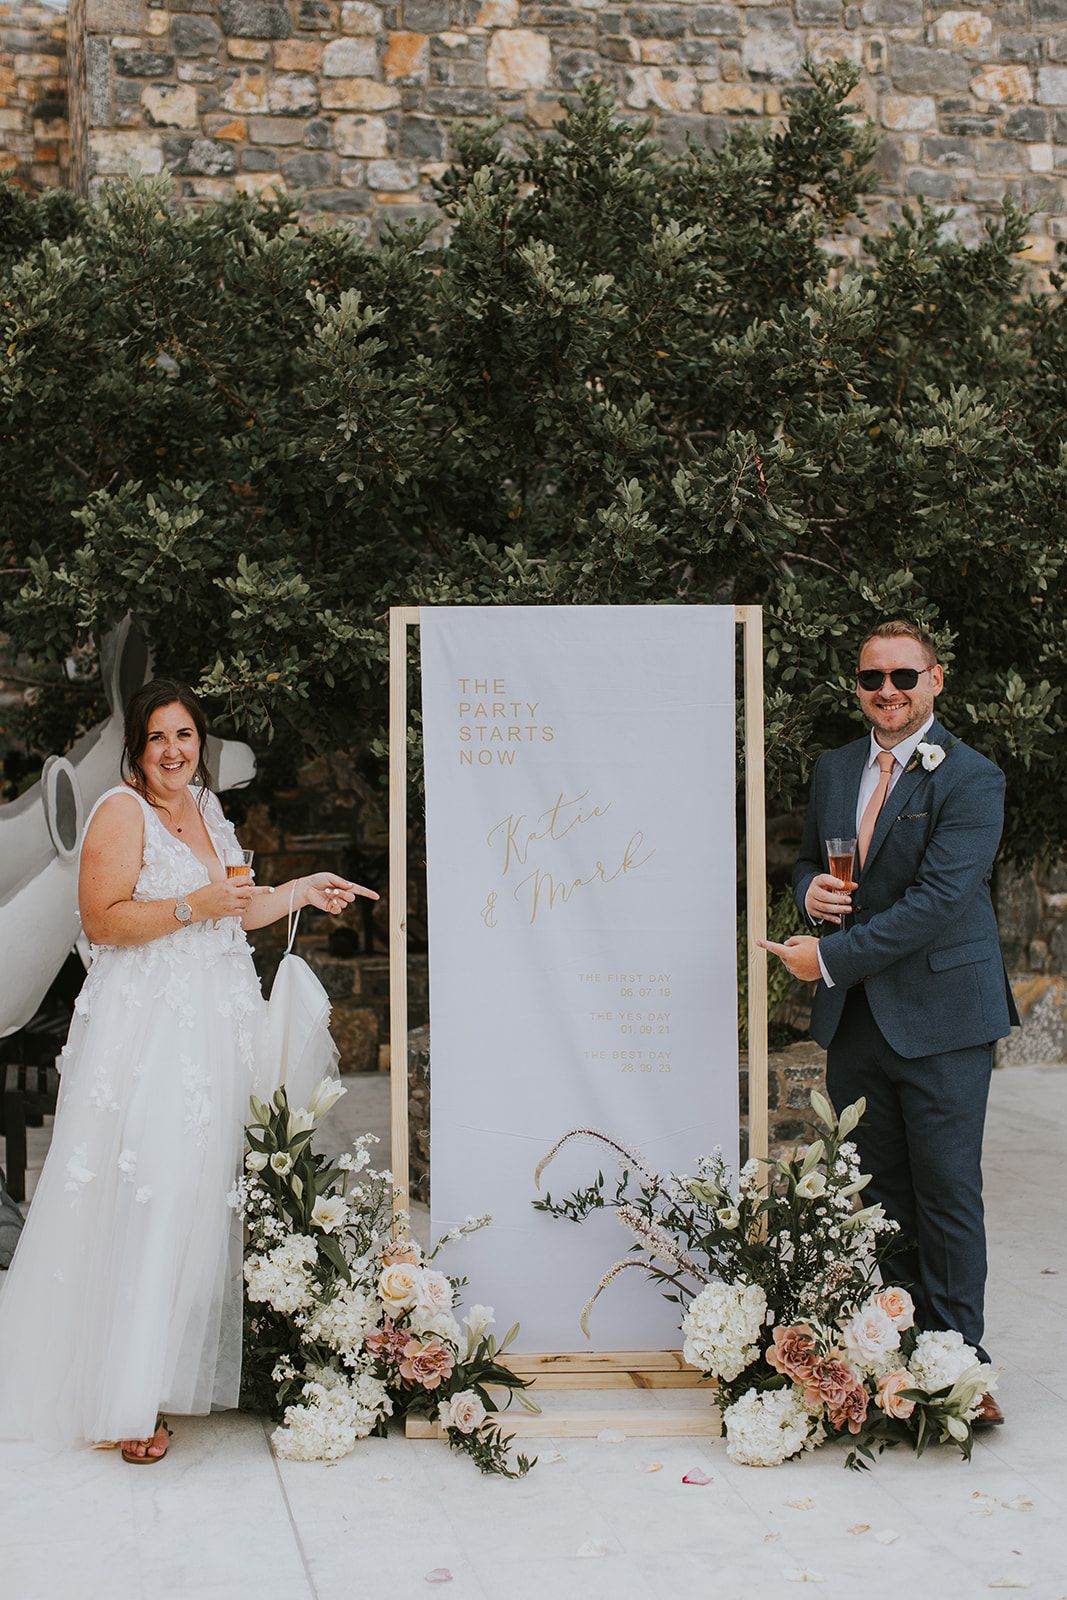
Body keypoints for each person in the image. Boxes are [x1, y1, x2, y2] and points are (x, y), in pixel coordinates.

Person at [0, 679, 378, 1461]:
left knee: (199, 1196)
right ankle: (121, 1401)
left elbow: (238, 905)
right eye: (157, 739)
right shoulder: (119, 813)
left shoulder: (206, 810)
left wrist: (300, 889)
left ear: (198, 741)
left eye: (185, 736)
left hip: (214, 1029)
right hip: (150, 1035)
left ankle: (156, 1369)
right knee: (150, 1194)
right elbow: (103, 918)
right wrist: (192, 907)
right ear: (137, 750)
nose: (173, 751)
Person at [760, 621, 1017, 1427]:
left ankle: (956, 1373)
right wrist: (811, 894)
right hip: (860, 1022)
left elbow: (939, 904)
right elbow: (809, 858)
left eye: (903, 676)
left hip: (942, 1016)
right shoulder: (836, 767)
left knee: (944, 1192)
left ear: (934, 681)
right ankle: (893, 1358)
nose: (887, 691)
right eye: (872, 678)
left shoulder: (972, 778)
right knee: (878, 1195)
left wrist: (827, 960)